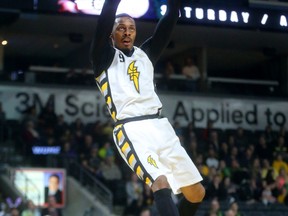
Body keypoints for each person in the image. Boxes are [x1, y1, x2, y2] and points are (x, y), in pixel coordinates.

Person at [89, 0, 205, 215]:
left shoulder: (145, 55)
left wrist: (173, 6)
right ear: (110, 34)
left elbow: (169, 20)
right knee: (160, 183)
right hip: (131, 129)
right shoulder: (103, 57)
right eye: (121, 28)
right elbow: (106, 15)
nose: (127, 33)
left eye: (131, 28)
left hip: (160, 126)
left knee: (196, 193)